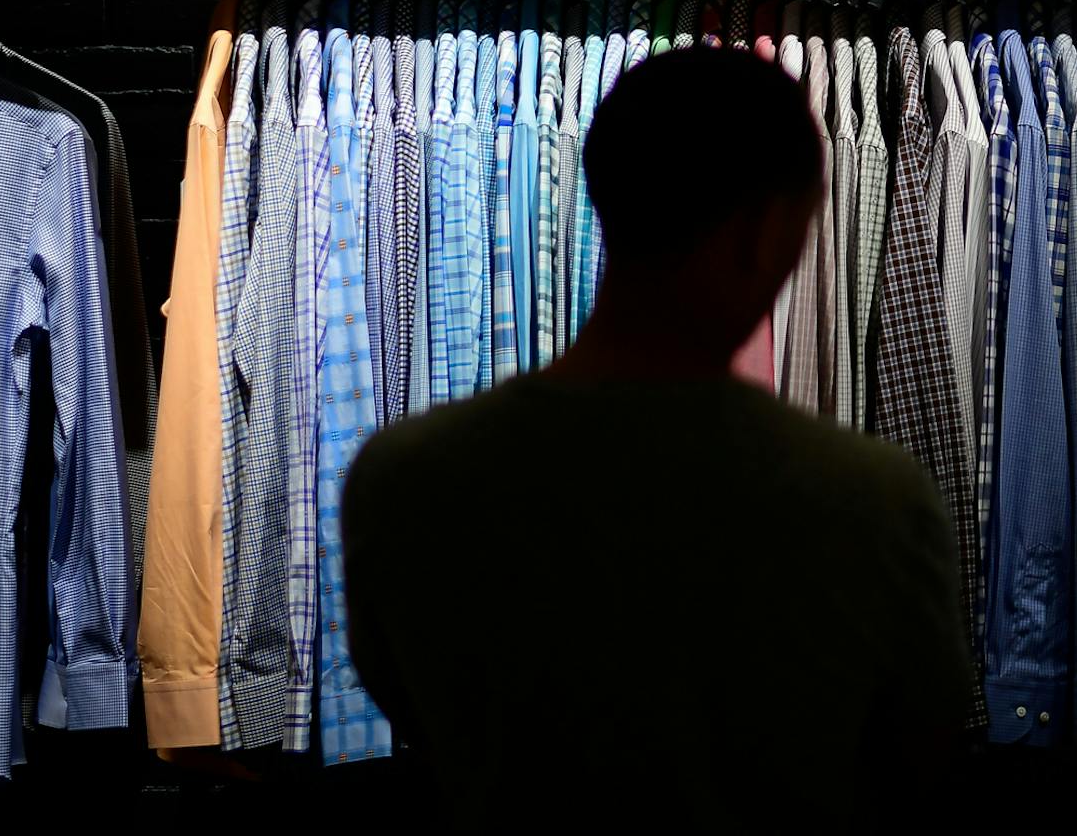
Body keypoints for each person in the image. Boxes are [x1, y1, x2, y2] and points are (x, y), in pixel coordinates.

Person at [342, 49, 975, 822]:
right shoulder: (874, 505)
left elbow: (416, 711)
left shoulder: (404, 482)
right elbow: (916, 758)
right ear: (765, 231)